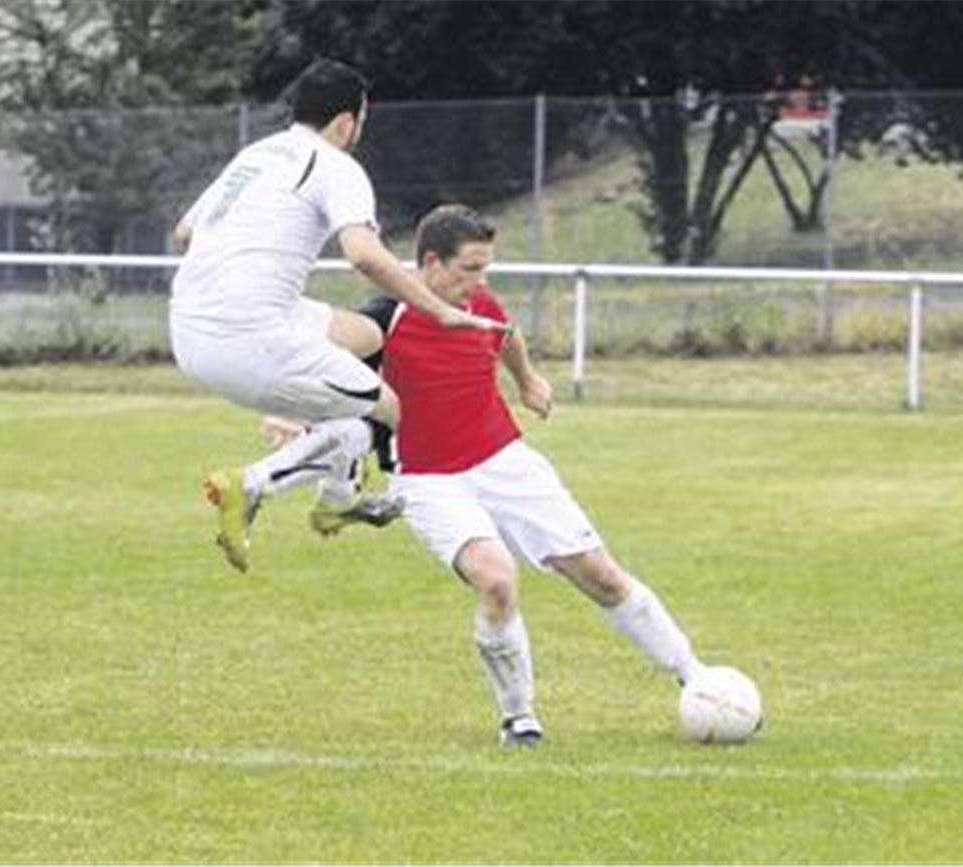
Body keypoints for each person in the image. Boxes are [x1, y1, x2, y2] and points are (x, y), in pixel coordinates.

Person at [269, 204, 705, 746]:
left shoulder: (480, 304)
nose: (481, 282)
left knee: (602, 575)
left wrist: (527, 381)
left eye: (485, 269)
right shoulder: (385, 319)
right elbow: (315, 361)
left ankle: (698, 679)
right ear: (431, 262)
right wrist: (285, 414)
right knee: (497, 580)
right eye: (471, 268)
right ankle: (519, 717)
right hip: (427, 480)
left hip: (506, 461)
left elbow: (505, 335)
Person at [169, 59, 503, 573]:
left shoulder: (255, 156)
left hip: (189, 324)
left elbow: (184, 231)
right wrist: (437, 309)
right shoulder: (336, 166)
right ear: (346, 123)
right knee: (387, 410)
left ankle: (334, 488)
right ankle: (255, 485)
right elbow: (364, 255)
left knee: (366, 336)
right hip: (247, 336)